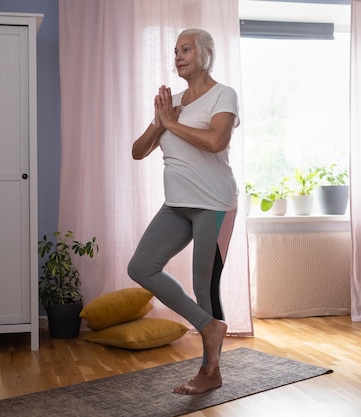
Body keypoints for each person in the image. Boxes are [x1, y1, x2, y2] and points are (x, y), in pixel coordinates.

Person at [127, 28, 240, 395]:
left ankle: (211, 373)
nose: (178, 55)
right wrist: (161, 122)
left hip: (214, 204)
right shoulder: (171, 103)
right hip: (176, 205)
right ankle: (209, 325)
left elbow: (216, 141)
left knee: (203, 286)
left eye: (186, 49)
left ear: (206, 54)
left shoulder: (224, 95)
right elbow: (138, 150)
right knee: (141, 267)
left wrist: (172, 124)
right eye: (175, 50)